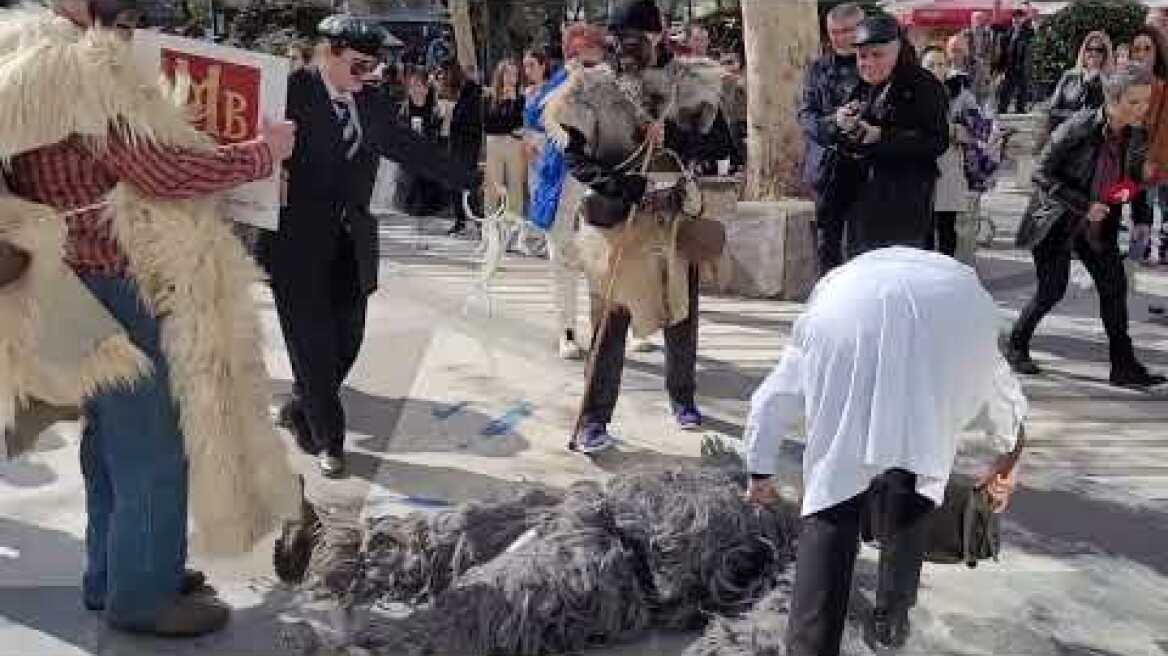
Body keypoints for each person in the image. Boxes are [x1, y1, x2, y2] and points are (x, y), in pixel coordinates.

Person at [1, 0, 299, 637]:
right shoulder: (79, 63)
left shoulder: (25, 54)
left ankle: (114, 573)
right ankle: (140, 596)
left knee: (109, 443)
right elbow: (161, 171)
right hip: (110, 281)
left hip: (62, 279)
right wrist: (260, 153)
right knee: (153, 448)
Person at [745, 246, 1027, 655]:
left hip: (844, 319)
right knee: (913, 473)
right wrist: (1007, 460)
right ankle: (892, 618)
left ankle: (810, 645)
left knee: (831, 503)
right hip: (946, 326)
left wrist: (759, 470)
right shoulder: (968, 299)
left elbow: (775, 397)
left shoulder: (838, 288)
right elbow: (1002, 397)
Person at [264, 16, 472, 478]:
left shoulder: (372, 102)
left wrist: (473, 181)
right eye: (359, 67)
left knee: (347, 341)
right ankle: (329, 441)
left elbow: (412, 149)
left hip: (350, 243)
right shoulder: (286, 91)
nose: (368, 77)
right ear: (329, 53)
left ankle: (304, 405)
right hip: (295, 245)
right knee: (313, 348)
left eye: (373, 68)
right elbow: (242, 140)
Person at [1006, 64, 1166, 390]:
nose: (1142, 110)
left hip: (1099, 227)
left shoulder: (1136, 133)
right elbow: (1041, 173)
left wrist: (1142, 220)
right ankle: (1015, 345)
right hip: (1055, 221)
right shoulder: (1077, 127)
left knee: (1114, 289)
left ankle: (1123, 366)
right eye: (1134, 102)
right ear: (1112, 98)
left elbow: (1132, 179)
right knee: (1052, 290)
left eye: (1146, 102)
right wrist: (1083, 204)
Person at [831, 14, 949, 259]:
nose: (868, 63)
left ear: (897, 52)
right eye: (863, 56)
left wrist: (883, 137)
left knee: (899, 277)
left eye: (877, 55)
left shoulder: (923, 86)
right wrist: (840, 124)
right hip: (859, 198)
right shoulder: (860, 85)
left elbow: (937, 141)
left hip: (905, 202)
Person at [798, 1, 862, 275]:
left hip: (867, 165)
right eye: (833, 32)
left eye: (846, 31)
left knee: (865, 244)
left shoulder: (875, 63)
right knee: (828, 246)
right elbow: (805, 115)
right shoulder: (818, 69)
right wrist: (833, 122)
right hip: (828, 167)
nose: (839, 38)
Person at [922, 46, 976, 258]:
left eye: (941, 64)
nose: (936, 69)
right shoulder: (912, 92)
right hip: (921, 166)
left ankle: (947, 272)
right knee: (924, 227)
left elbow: (977, 131)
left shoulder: (961, 95)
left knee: (946, 226)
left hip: (949, 166)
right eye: (930, 65)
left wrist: (953, 129)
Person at [1128, 26, 1168, 265]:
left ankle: (1163, 249)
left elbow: (1164, 128)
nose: (1142, 53)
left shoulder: (1162, 86)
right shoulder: (1131, 83)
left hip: (1159, 158)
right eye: (1137, 49)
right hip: (1134, 156)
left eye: (1147, 48)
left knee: (1164, 205)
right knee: (1139, 206)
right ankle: (1139, 249)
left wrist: (1152, 159)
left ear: (1157, 52)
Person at [393, 67, 446, 217]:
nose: (415, 90)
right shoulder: (404, 109)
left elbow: (441, 138)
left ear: (426, 89)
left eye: (419, 85)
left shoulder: (435, 110)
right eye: (412, 86)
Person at [483, 59, 527, 219]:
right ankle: (489, 231)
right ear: (500, 75)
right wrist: (506, 122)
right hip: (494, 143)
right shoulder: (491, 97)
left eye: (514, 74)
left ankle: (513, 230)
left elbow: (519, 124)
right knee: (492, 189)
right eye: (507, 73)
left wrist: (513, 102)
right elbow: (488, 125)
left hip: (514, 144)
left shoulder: (521, 99)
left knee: (515, 188)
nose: (511, 78)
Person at [1046, 31, 1111, 136]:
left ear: (1105, 54)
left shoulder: (1110, 81)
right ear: (1083, 51)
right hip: (1064, 137)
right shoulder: (1069, 76)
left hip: (1093, 142)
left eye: (1099, 50)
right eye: (1089, 49)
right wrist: (1078, 117)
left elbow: (1107, 116)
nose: (1093, 53)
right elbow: (1052, 110)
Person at [446, 63, 484, 236]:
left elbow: (470, 124)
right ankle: (467, 220)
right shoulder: (467, 93)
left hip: (466, 147)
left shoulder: (474, 94)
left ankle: (472, 220)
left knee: (465, 185)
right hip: (462, 146)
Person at [995, 9, 1035, 115]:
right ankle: (1002, 108)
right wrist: (1000, 68)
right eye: (1014, 18)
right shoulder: (1007, 33)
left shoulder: (1028, 33)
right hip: (1010, 66)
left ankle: (1020, 109)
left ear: (1022, 19)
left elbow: (1032, 39)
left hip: (1022, 66)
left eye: (1019, 17)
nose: (1016, 20)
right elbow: (1003, 52)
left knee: (1022, 89)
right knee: (1006, 89)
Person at [963, 10, 996, 106]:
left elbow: (990, 50)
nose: (979, 21)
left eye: (981, 19)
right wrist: (973, 59)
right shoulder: (967, 33)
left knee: (983, 90)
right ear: (972, 20)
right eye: (977, 18)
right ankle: (970, 108)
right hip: (970, 65)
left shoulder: (987, 34)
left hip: (984, 65)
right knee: (970, 88)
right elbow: (964, 50)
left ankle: (981, 108)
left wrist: (986, 61)